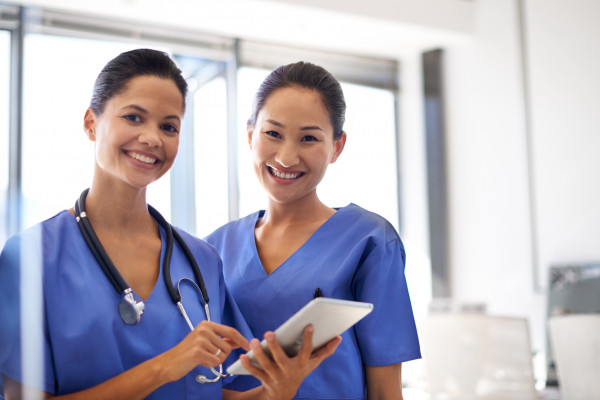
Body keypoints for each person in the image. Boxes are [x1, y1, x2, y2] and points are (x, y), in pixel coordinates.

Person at [0, 49, 340, 400]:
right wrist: (165, 367)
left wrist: (277, 390)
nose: (152, 138)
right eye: (133, 117)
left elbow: (220, 393)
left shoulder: (202, 259)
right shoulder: (30, 256)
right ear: (91, 123)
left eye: (168, 126)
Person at [204, 61, 422, 399]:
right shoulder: (213, 249)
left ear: (337, 146)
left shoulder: (369, 241)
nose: (287, 157)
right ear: (250, 135)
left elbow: (385, 391)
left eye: (308, 138)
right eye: (272, 133)